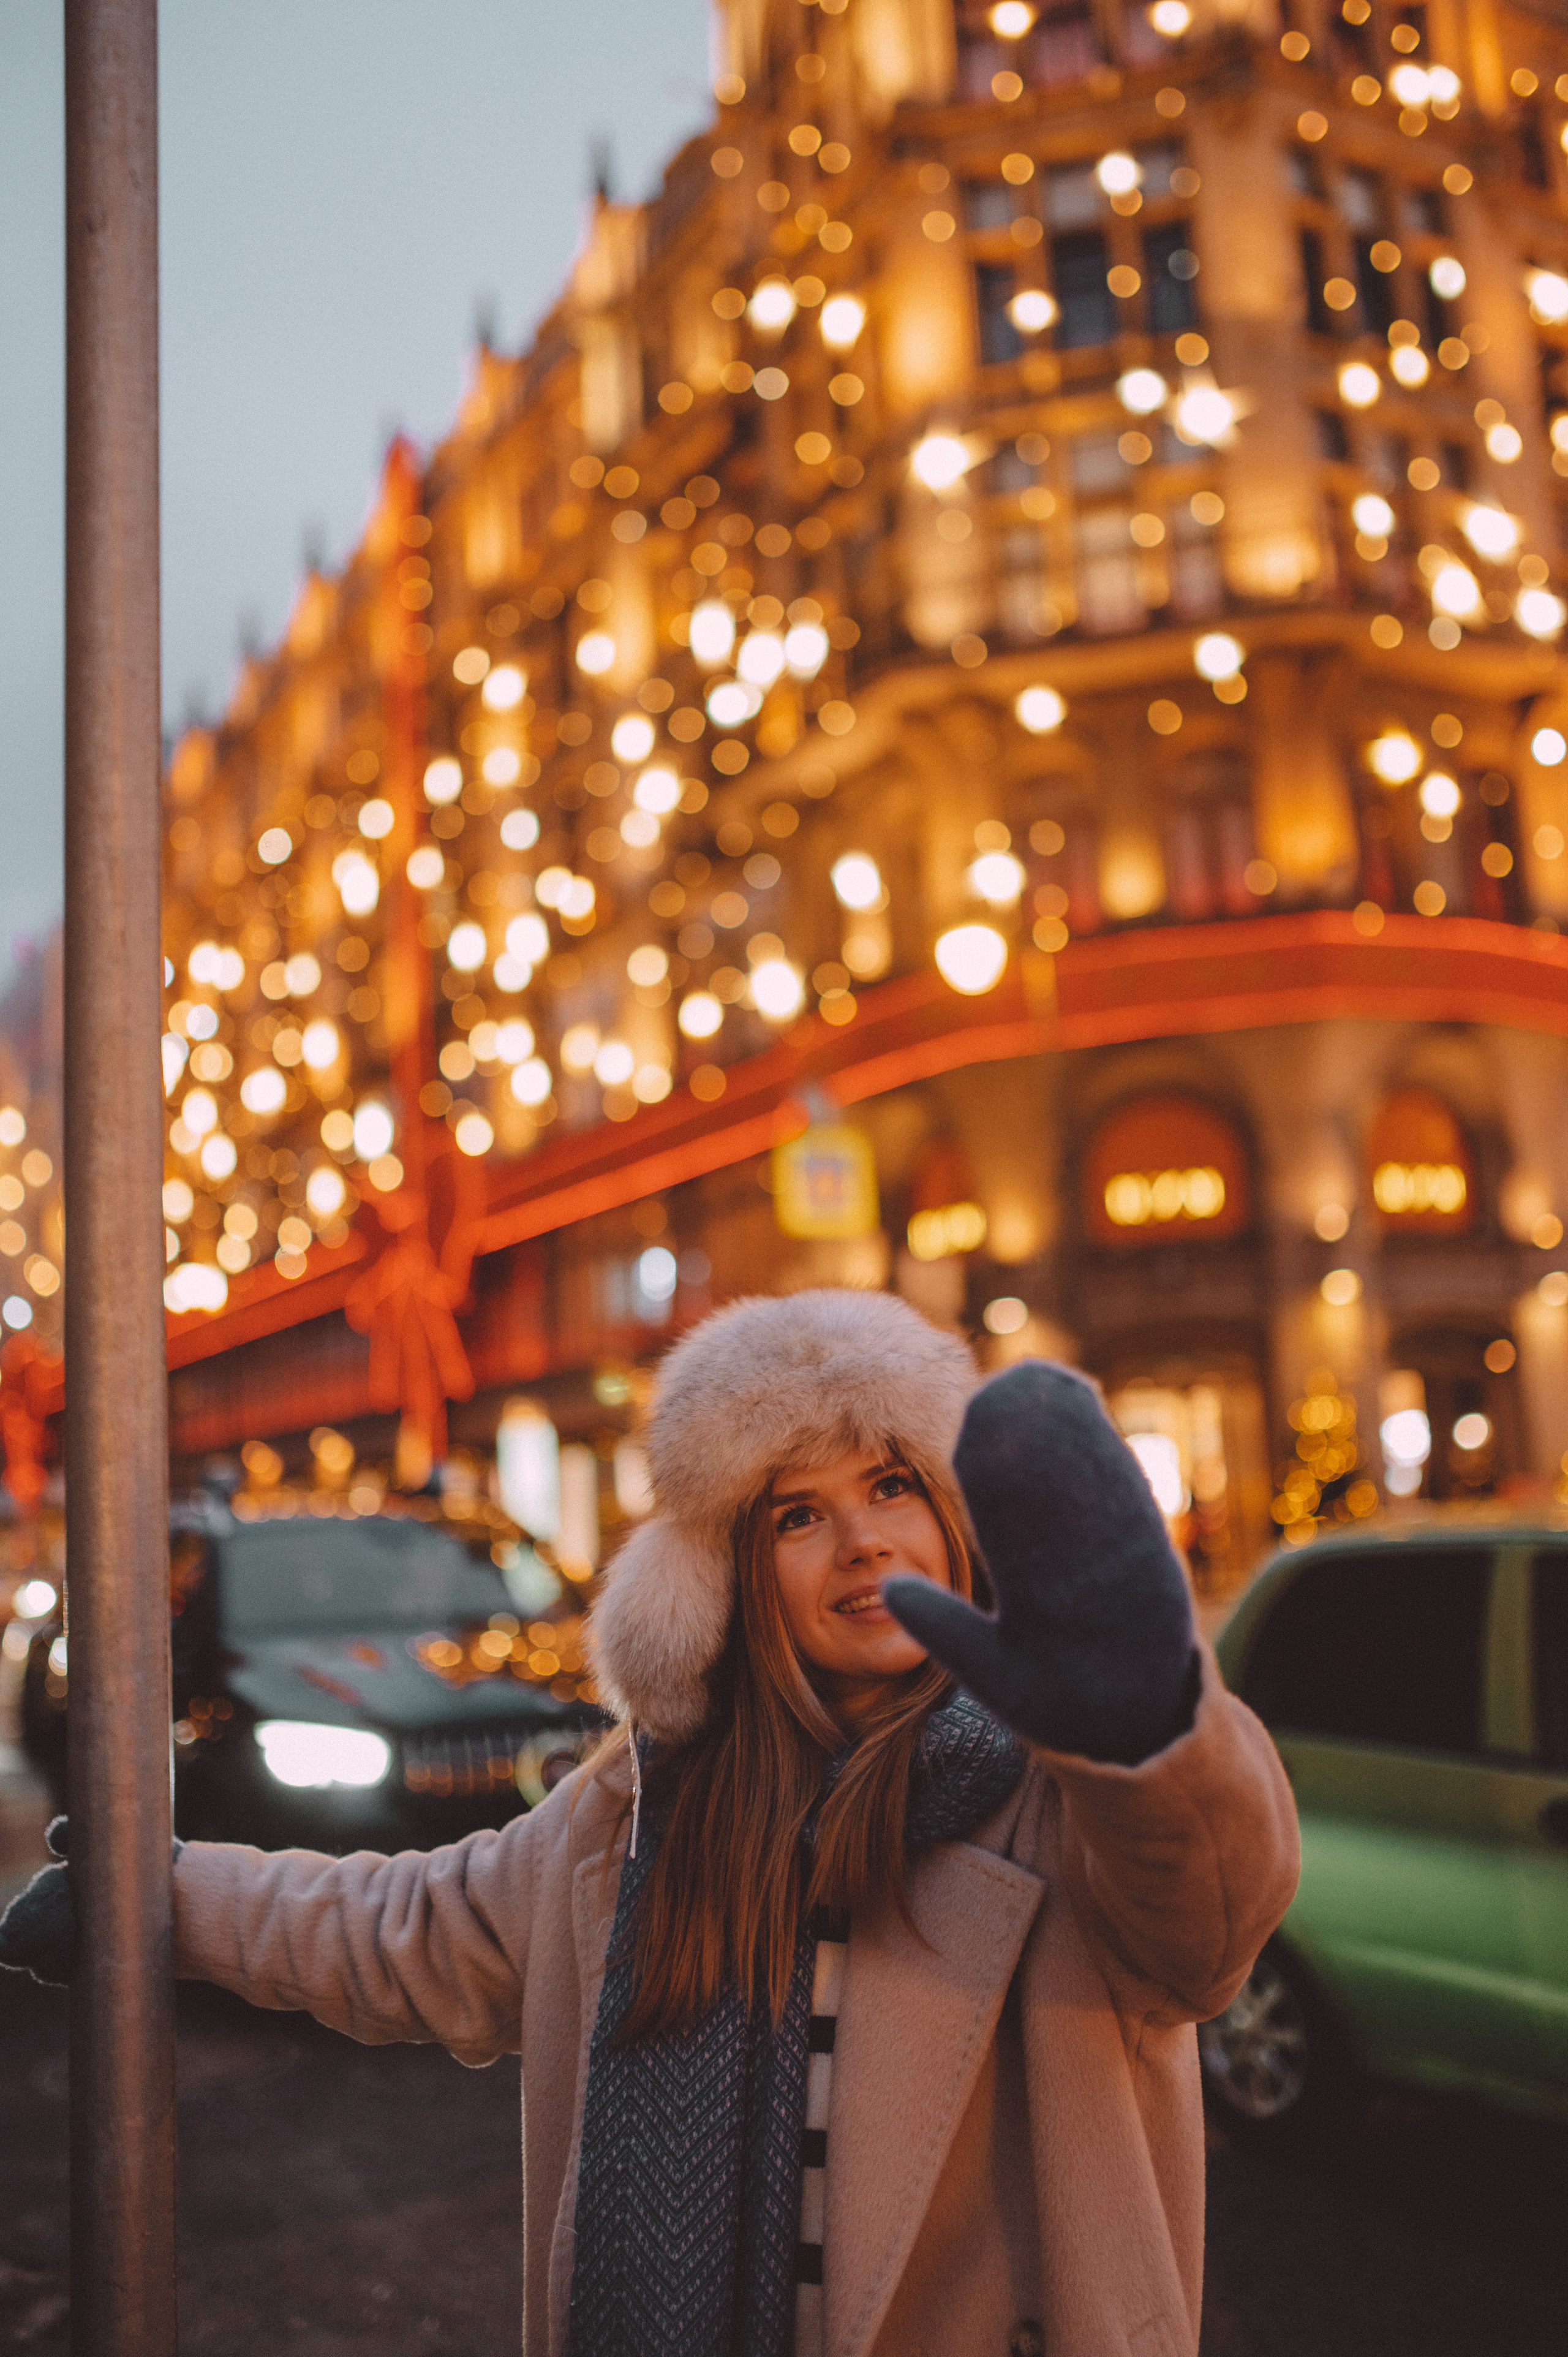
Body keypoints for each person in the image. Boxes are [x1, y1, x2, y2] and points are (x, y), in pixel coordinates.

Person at [1, 1288, 1298, 2357]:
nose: (859, 1541)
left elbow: (1212, 1925)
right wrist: (166, 1897)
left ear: (954, 1520)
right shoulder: (644, 1805)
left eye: (893, 1484)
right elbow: (415, 1931)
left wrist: (1151, 1736)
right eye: (798, 1513)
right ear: (733, 1569)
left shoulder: (1065, 1797)